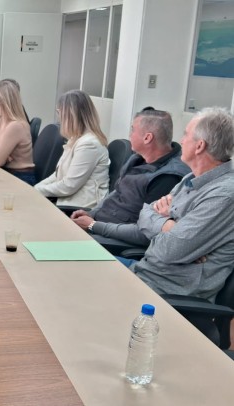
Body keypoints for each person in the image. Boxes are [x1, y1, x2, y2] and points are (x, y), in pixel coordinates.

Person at [111, 108, 234, 301]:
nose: (181, 141)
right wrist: (170, 226)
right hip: (143, 271)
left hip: (164, 293)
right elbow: (144, 213)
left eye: (186, 134)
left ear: (199, 146)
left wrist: (166, 224)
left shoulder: (224, 195)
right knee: (75, 265)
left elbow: (168, 251)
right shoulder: (191, 178)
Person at [71, 109, 190, 235]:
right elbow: (117, 192)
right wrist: (92, 214)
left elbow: (145, 232)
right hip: (101, 226)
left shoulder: (167, 178)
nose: (130, 135)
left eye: (133, 130)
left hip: (115, 239)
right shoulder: (137, 158)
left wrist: (93, 225)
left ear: (147, 138)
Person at [34, 90, 109, 207]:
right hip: (68, 200)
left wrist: (36, 191)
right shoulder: (76, 138)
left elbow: (69, 186)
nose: (59, 118)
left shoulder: (89, 144)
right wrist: (36, 188)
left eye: (60, 112)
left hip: (79, 207)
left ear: (71, 116)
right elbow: (57, 176)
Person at [0, 80, 35, 185]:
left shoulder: (16, 126)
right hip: (6, 172)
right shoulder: (0, 122)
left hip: (20, 178)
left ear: (1, 102)